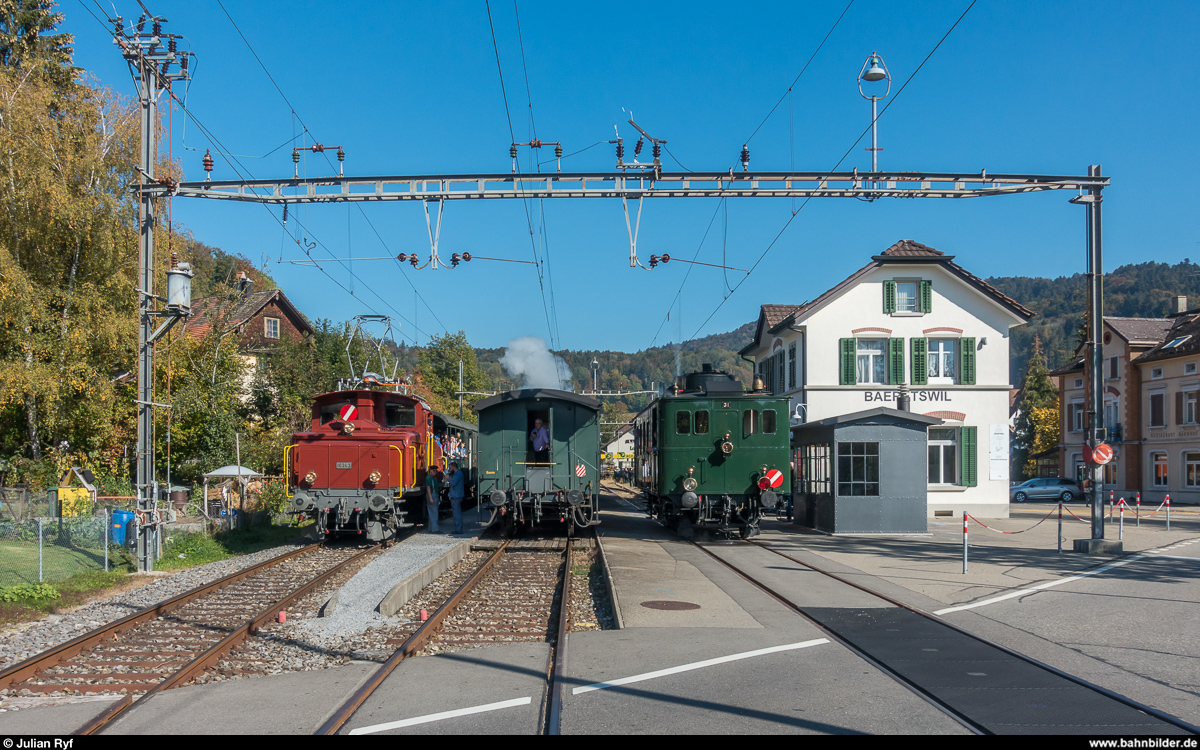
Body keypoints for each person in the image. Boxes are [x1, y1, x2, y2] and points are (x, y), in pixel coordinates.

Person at [446, 461, 465, 535]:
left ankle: (459, 529)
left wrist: (448, 478)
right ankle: (458, 529)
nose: (450, 470)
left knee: (456, 513)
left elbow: (453, 483)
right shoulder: (458, 474)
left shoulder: (458, 474)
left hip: (456, 496)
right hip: (455, 495)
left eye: (450, 468)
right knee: (456, 513)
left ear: (454, 467)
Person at [424, 467, 441, 533]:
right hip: (432, 495)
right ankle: (435, 529)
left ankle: (431, 529)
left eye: (436, 471)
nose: (435, 472)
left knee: (432, 513)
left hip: (434, 495)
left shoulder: (434, 478)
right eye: (434, 471)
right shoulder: (429, 478)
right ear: (430, 471)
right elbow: (428, 488)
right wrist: (430, 497)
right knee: (434, 513)